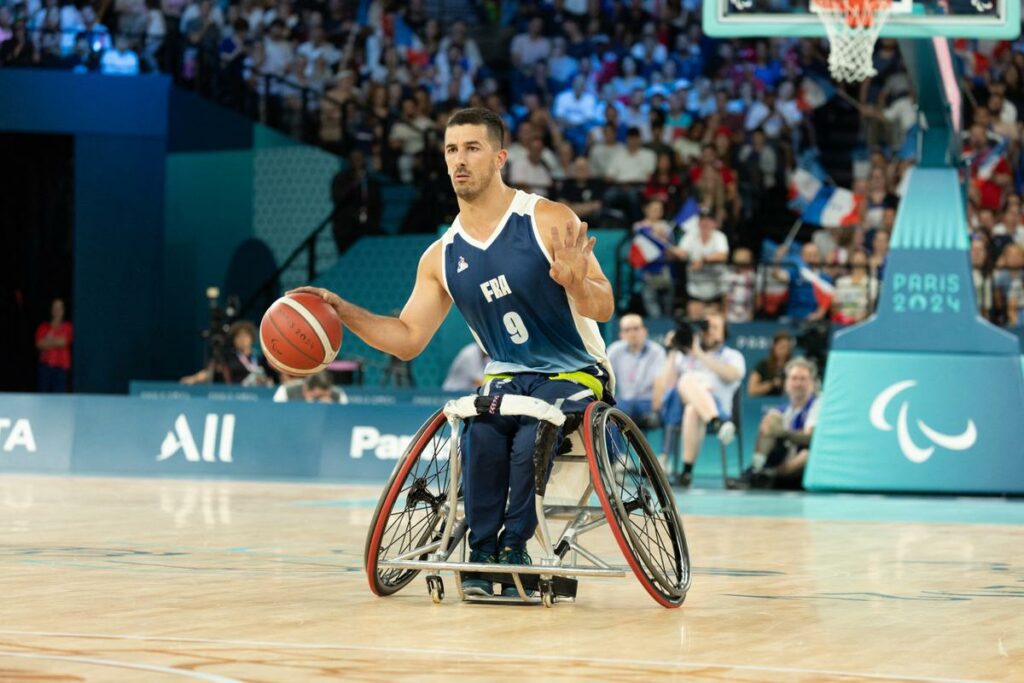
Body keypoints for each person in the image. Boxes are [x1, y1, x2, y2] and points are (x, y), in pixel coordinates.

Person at [289, 107, 614, 598]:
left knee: (532, 432)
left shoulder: (546, 220)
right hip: (506, 377)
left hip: (575, 372)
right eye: (451, 150)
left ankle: (515, 548)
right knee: (479, 431)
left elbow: (604, 305)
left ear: (500, 157)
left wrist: (576, 285)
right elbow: (407, 338)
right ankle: (482, 554)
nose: (459, 160)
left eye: (472, 148)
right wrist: (343, 312)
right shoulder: (441, 255)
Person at [653, 312, 745, 487]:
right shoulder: (684, 356)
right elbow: (667, 386)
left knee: (692, 408)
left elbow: (733, 375)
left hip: (719, 409)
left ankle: (686, 472)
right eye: (707, 327)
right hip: (678, 411)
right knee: (686, 382)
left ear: (724, 333)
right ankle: (717, 424)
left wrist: (699, 353)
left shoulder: (732, 356)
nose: (709, 331)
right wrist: (673, 350)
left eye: (715, 327)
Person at [736, 357, 820, 490]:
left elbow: (811, 438)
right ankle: (756, 469)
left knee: (806, 455)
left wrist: (783, 433)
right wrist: (773, 426)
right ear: (786, 383)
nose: (798, 383)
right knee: (770, 419)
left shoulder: (817, 405)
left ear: (812, 383)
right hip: (784, 455)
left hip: (804, 463)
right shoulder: (785, 409)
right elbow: (770, 430)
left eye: (803, 379)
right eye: (794, 378)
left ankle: (769, 474)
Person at [606, 314, 665, 427]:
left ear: (644, 331)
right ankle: (614, 446)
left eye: (636, 328)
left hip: (647, 402)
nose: (632, 333)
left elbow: (659, 383)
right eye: (627, 330)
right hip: (624, 402)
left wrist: (655, 411)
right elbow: (606, 377)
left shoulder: (657, 351)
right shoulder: (614, 350)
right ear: (621, 334)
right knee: (611, 414)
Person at [180, 320, 274, 386]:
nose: (242, 340)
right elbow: (208, 373)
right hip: (235, 396)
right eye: (239, 337)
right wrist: (194, 379)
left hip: (259, 397)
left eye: (245, 336)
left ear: (251, 339)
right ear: (233, 340)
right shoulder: (227, 357)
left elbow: (274, 377)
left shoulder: (260, 358)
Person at [35, 298, 73, 393]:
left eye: (59, 308)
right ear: (51, 310)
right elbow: (39, 345)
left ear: (63, 311)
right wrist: (53, 341)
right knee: (43, 398)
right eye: (55, 308)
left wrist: (48, 340)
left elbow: (63, 342)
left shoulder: (68, 327)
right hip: (45, 368)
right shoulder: (43, 327)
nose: (57, 311)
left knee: (60, 400)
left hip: (60, 369)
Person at [747, 330, 793, 398]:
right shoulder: (763, 365)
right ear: (774, 346)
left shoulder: (793, 367)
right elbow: (751, 390)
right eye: (781, 346)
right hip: (763, 402)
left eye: (786, 347)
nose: (783, 350)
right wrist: (771, 384)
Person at [273, 370, 348, 403]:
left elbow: (345, 418)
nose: (317, 400)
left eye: (321, 396)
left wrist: (332, 409)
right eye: (316, 397)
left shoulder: (338, 394)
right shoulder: (286, 390)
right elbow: (275, 414)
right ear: (306, 388)